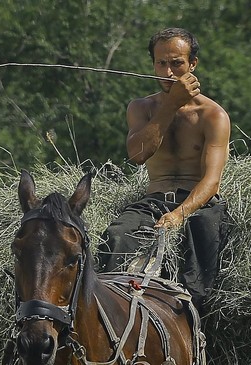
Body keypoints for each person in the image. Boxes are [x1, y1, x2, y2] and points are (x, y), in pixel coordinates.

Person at [98, 28, 231, 312]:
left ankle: (195, 319)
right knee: (117, 236)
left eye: (176, 63)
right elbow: (137, 155)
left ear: (192, 64)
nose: (168, 72)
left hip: (198, 205)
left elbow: (212, 181)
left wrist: (180, 214)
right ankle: (111, 314)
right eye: (161, 63)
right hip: (153, 201)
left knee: (203, 239)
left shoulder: (213, 115)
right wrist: (170, 105)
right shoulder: (141, 108)